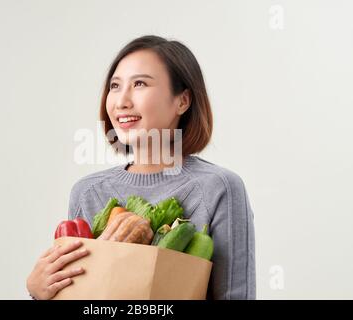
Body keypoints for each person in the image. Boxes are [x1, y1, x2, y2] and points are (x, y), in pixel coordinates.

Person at [26, 35, 256, 300]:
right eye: (115, 86)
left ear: (182, 101)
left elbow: (236, 296)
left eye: (139, 84)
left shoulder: (218, 188)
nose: (121, 101)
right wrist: (37, 293)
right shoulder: (88, 192)